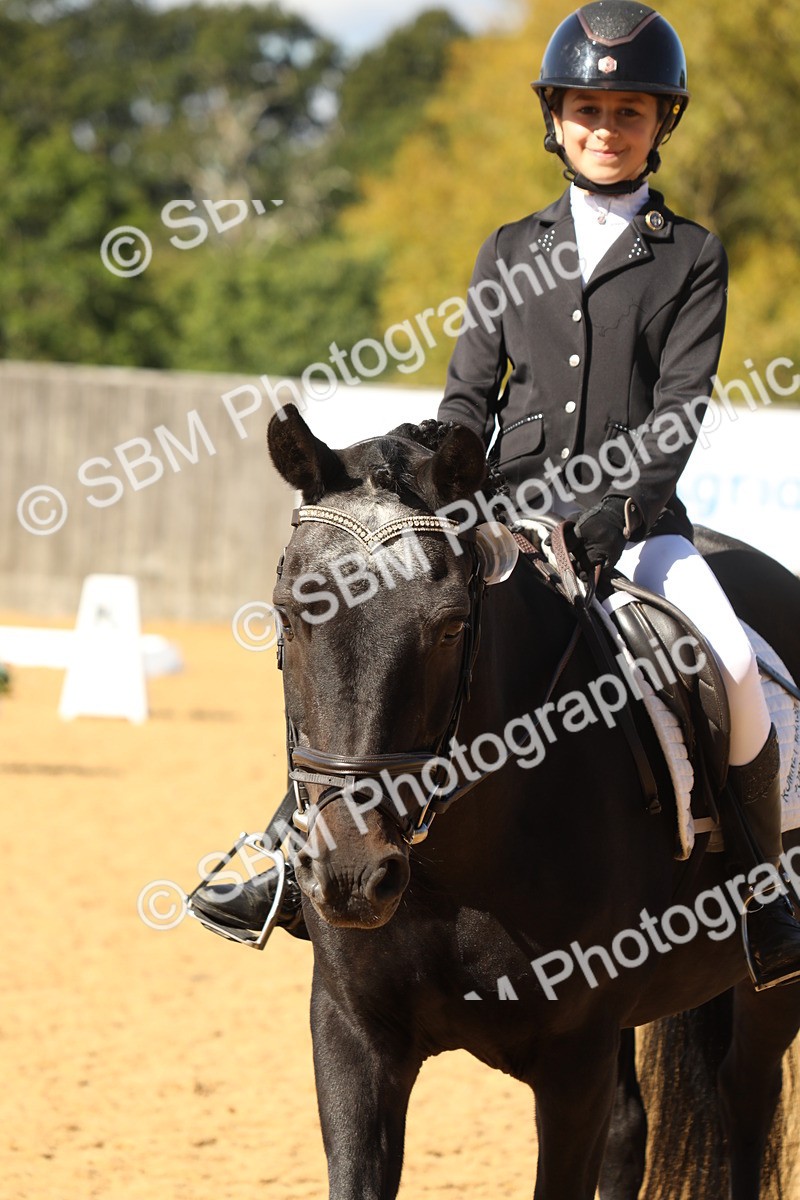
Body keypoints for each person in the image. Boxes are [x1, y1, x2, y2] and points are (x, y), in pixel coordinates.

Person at [190, 0, 800, 991]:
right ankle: (278, 858)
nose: (607, 129)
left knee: (731, 664)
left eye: (629, 113)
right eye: (587, 111)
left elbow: (678, 408)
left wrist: (611, 515)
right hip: (503, 516)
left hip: (634, 526)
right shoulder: (510, 248)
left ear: (660, 126)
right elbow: (468, 397)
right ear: (555, 120)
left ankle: (762, 891)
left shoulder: (689, 254)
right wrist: (445, 491)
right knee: (376, 638)